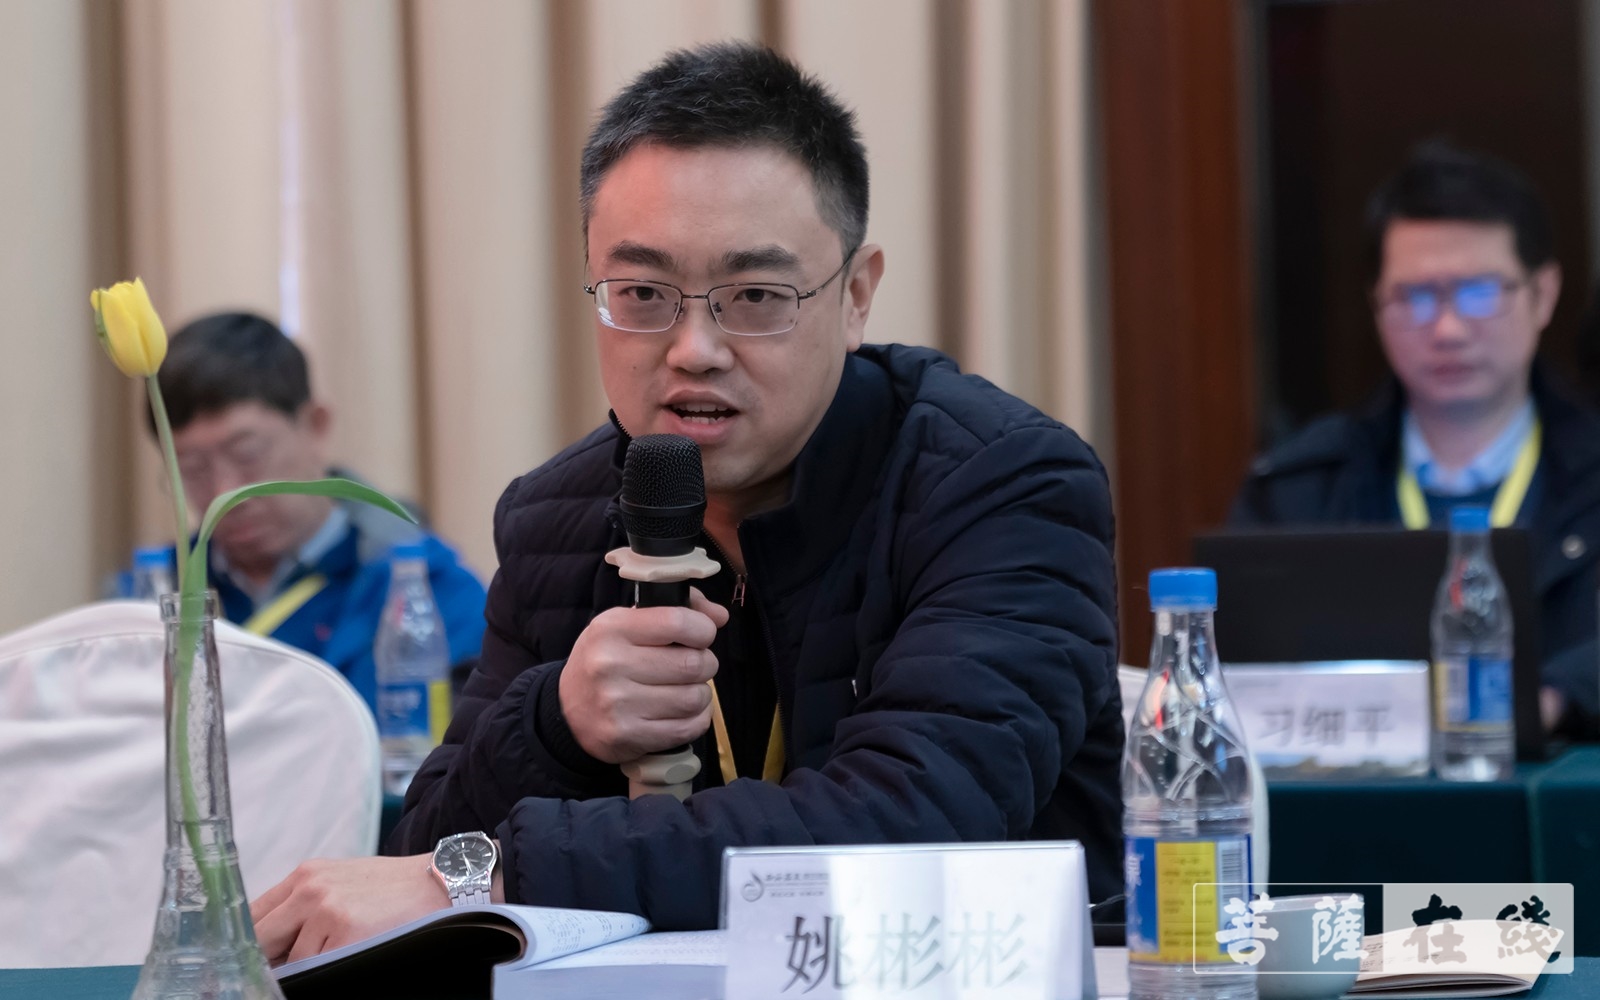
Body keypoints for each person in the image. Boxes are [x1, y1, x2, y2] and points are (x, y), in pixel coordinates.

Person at [251, 42, 1121, 962]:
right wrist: (556, 722)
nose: (695, 349)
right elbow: (423, 851)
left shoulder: (1003, 486)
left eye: (756, 295)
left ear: (856, 296)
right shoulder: (554, 516)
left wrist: (499, 873)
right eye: (642, 293)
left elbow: (910, 825)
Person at [1230, 140, 1600, 738]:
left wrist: (1559, 696)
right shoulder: (1298, 490)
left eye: (1480, 293)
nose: (1448, 329)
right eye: (1416, 298)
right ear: (1377, 307)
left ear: (1545, 294)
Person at [147, 311, 488, 710]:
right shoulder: (151, 601)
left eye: (247, 454)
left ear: (316, 425)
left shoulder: (428, 592)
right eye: (192, 469)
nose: (226, 493)